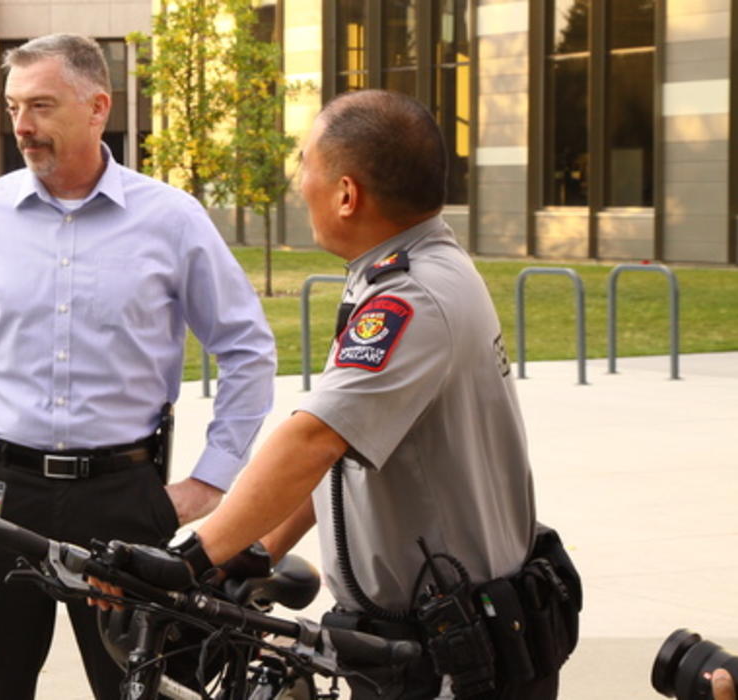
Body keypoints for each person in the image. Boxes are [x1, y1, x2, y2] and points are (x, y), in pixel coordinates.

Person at [97, 90, 563, 699]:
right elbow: (345, 447)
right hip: (423, 641)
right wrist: (253, 552)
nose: (299, 183)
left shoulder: (412, 300)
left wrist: (191, 559)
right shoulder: (405, 271)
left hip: (452, 659)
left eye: (305, 165)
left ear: (346, 194)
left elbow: (314, 439)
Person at [0, 33, 276, 699]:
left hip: (122, 499)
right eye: (11, 109)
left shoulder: (171, 220)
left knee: (142, 691)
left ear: (98, 108)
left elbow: (247, 348)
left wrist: (210, 481)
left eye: (41, 106)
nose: (23, 127)